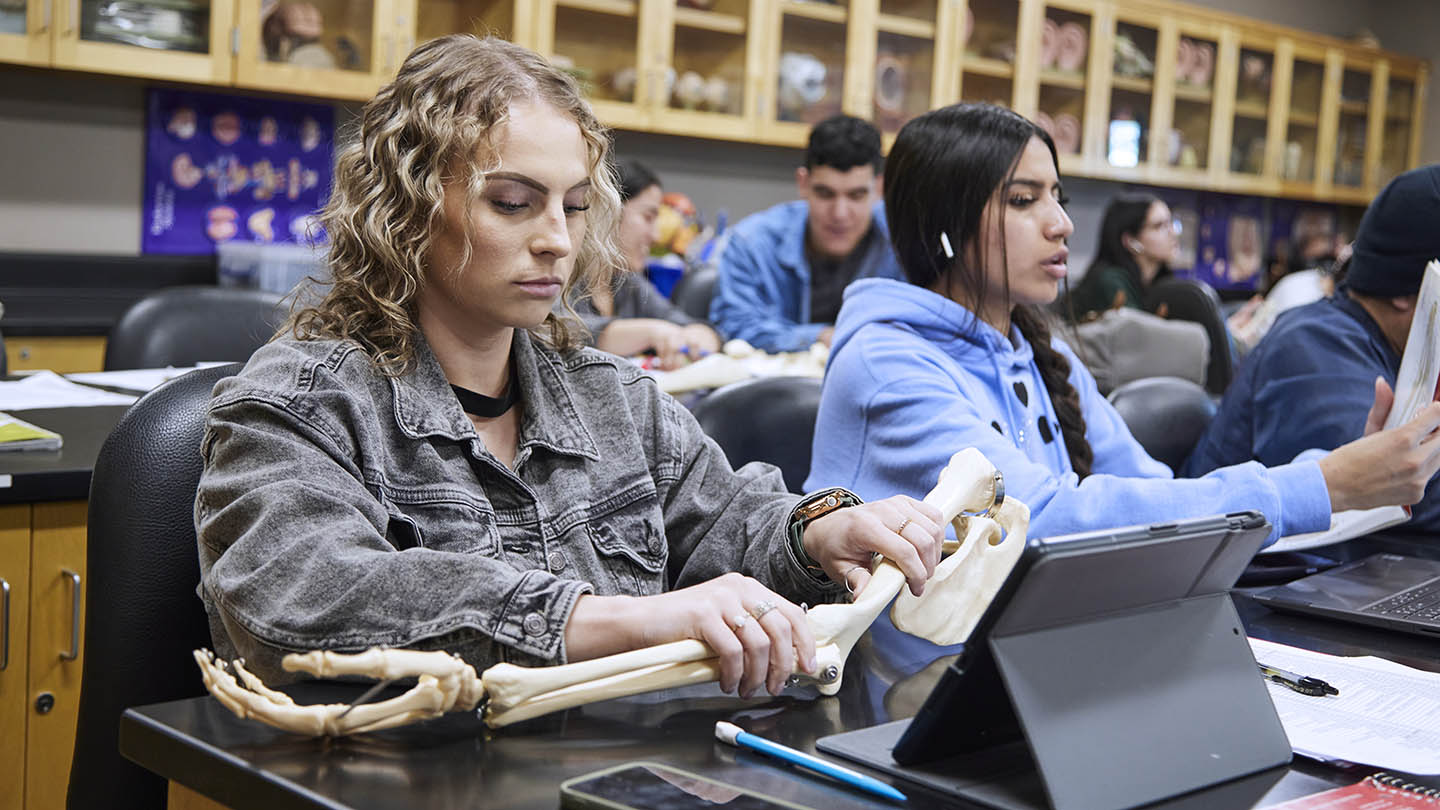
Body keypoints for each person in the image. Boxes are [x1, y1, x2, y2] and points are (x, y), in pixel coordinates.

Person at [194, 35, 944, 701]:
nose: (557, 240)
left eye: (576, 206)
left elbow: (728, 519)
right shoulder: (298, 405)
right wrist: (611, 619)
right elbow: (299, 597)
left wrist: (818, 531)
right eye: (515, 203)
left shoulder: (612, 397)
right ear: (407, 207)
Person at [805, 103, 1440, 556]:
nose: (1061, 225)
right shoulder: (888, 363)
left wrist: (1344, 474)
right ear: (942, 228)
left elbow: (1159, 500)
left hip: (1029, 662)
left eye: (1059, 197)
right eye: (1024, 201)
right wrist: (1323, 484)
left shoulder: (1037, 346)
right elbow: (1031, 523)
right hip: (905, 702)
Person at [1187, 164, 1440, 537]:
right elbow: (1396, 487)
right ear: (1409, 291)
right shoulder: (1313, 347)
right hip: (1241, 586)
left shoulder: (1397, 349)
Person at [709, 114, 905, 352]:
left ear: (879, 188)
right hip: (776, 386)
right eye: (825, 193)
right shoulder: (752, 243)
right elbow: (733, 327)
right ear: (803, 183)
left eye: (856, 195)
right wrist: (822, 338)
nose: (840, 213)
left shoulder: (904, 241)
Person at [568, 158, 721, 368]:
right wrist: (652, 332)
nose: (656, 235)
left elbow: (683, 322)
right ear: (607, 210)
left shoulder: (628, 281)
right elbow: (556, 331)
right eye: (648, 217)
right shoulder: (559, 275)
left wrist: (700, 335)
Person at [1065, 192, 1178, 319]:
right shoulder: (1110, 281)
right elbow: (1136, 333)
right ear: (1131, 241)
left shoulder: (1159, 281)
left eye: (1171, 223)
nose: (1173, 233)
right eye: (1159, 226)